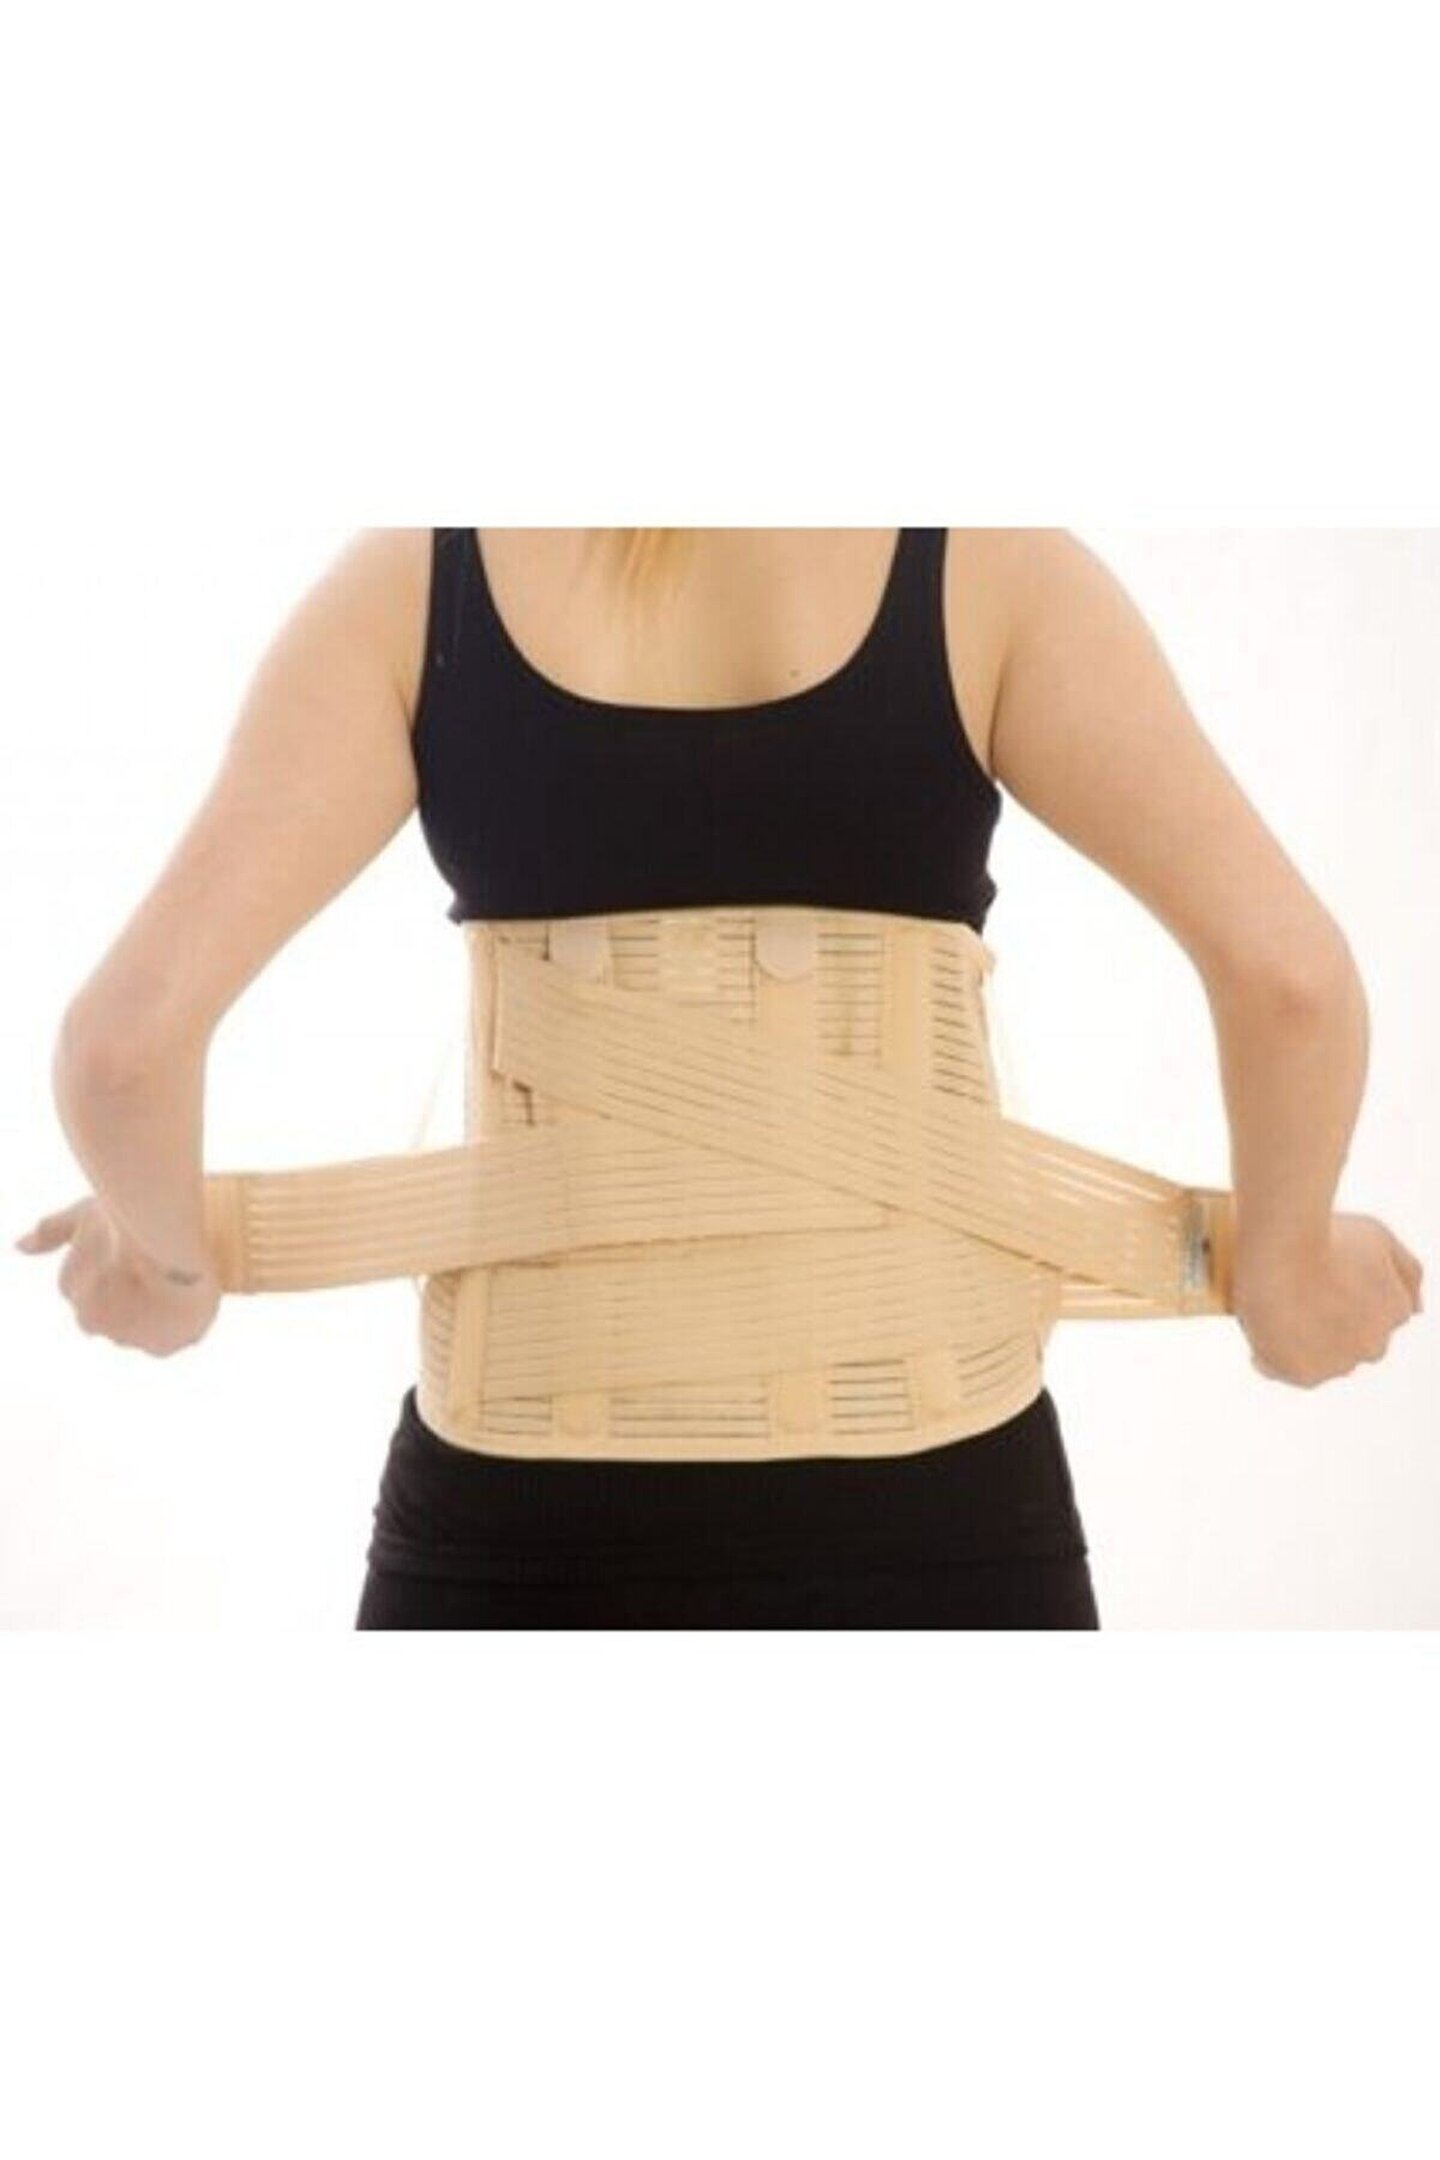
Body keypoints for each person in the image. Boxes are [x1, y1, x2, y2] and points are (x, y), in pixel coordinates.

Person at [18, 528, 1423, 1630]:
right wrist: (1286, 1270)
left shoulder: (410, 588)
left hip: (513, 1536)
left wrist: (170, 1265)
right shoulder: (992, 570)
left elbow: (121, 1051)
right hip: (940, 1525)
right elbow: (1291, 984)